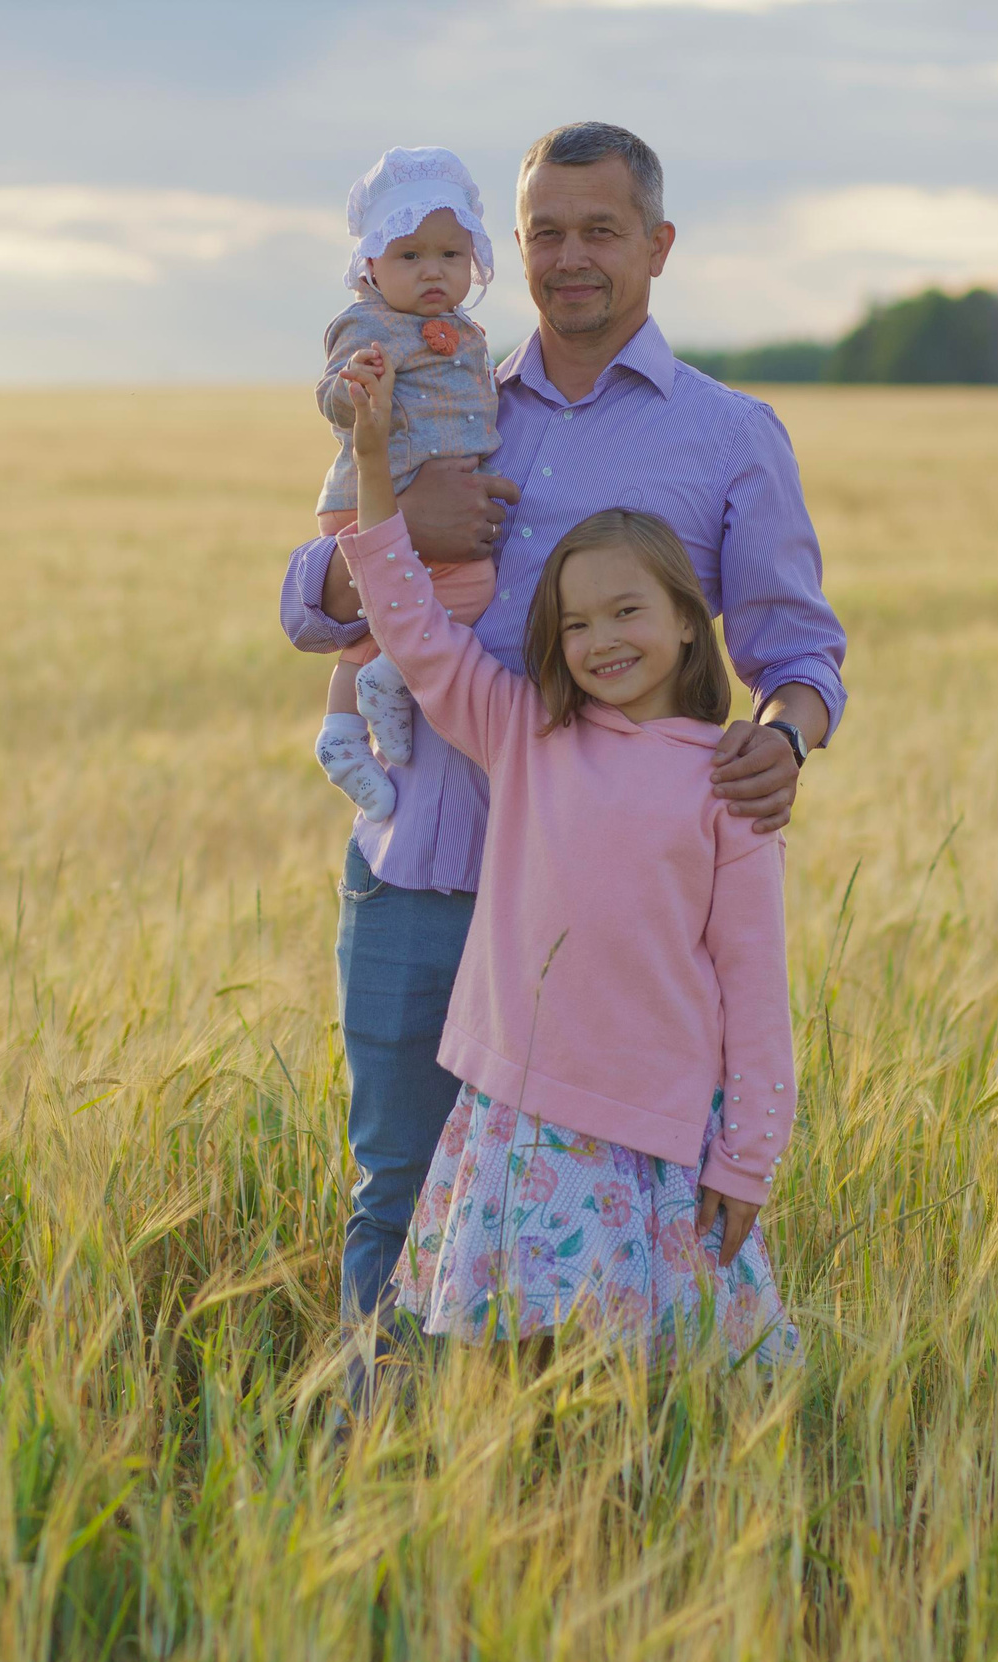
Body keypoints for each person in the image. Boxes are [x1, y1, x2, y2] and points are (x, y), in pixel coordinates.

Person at [275, 122, 847, 1390]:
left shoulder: (727, 433)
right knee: (400, 1201)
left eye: (600, 230)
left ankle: (578, 1479)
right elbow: (311, 610)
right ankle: (391, 1485)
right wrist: (395, 519)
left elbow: (799, 654)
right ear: (509, 251)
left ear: (657, 244)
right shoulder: (444, 390)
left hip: (615, 915)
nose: (572, 257)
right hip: (423, 866)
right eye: (545, 233)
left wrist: (786, 739)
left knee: (620, 1226)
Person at [335, 343, 800, 1360]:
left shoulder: (726, 780)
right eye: (576, 622)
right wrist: (376, 467)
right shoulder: (526, 735)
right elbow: (410, 629)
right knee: (506, 1367)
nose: (601, 640)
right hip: (516, 1124)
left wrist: (747, 1159)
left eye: (628, 612)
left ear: (688, 621)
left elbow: (756, 987)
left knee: (634, 1393)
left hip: (656, 1141)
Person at [309, 148, 503, 823]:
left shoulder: (468, 332)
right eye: (410, 256)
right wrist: (354, 389)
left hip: (397, 507)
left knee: (376, 615)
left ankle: (340, 734)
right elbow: (331, 395)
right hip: (379, 498)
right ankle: (392, 677)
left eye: (451, 256)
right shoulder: (369, 326)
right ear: (371, 266)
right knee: (470, 588)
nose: (433, 271)